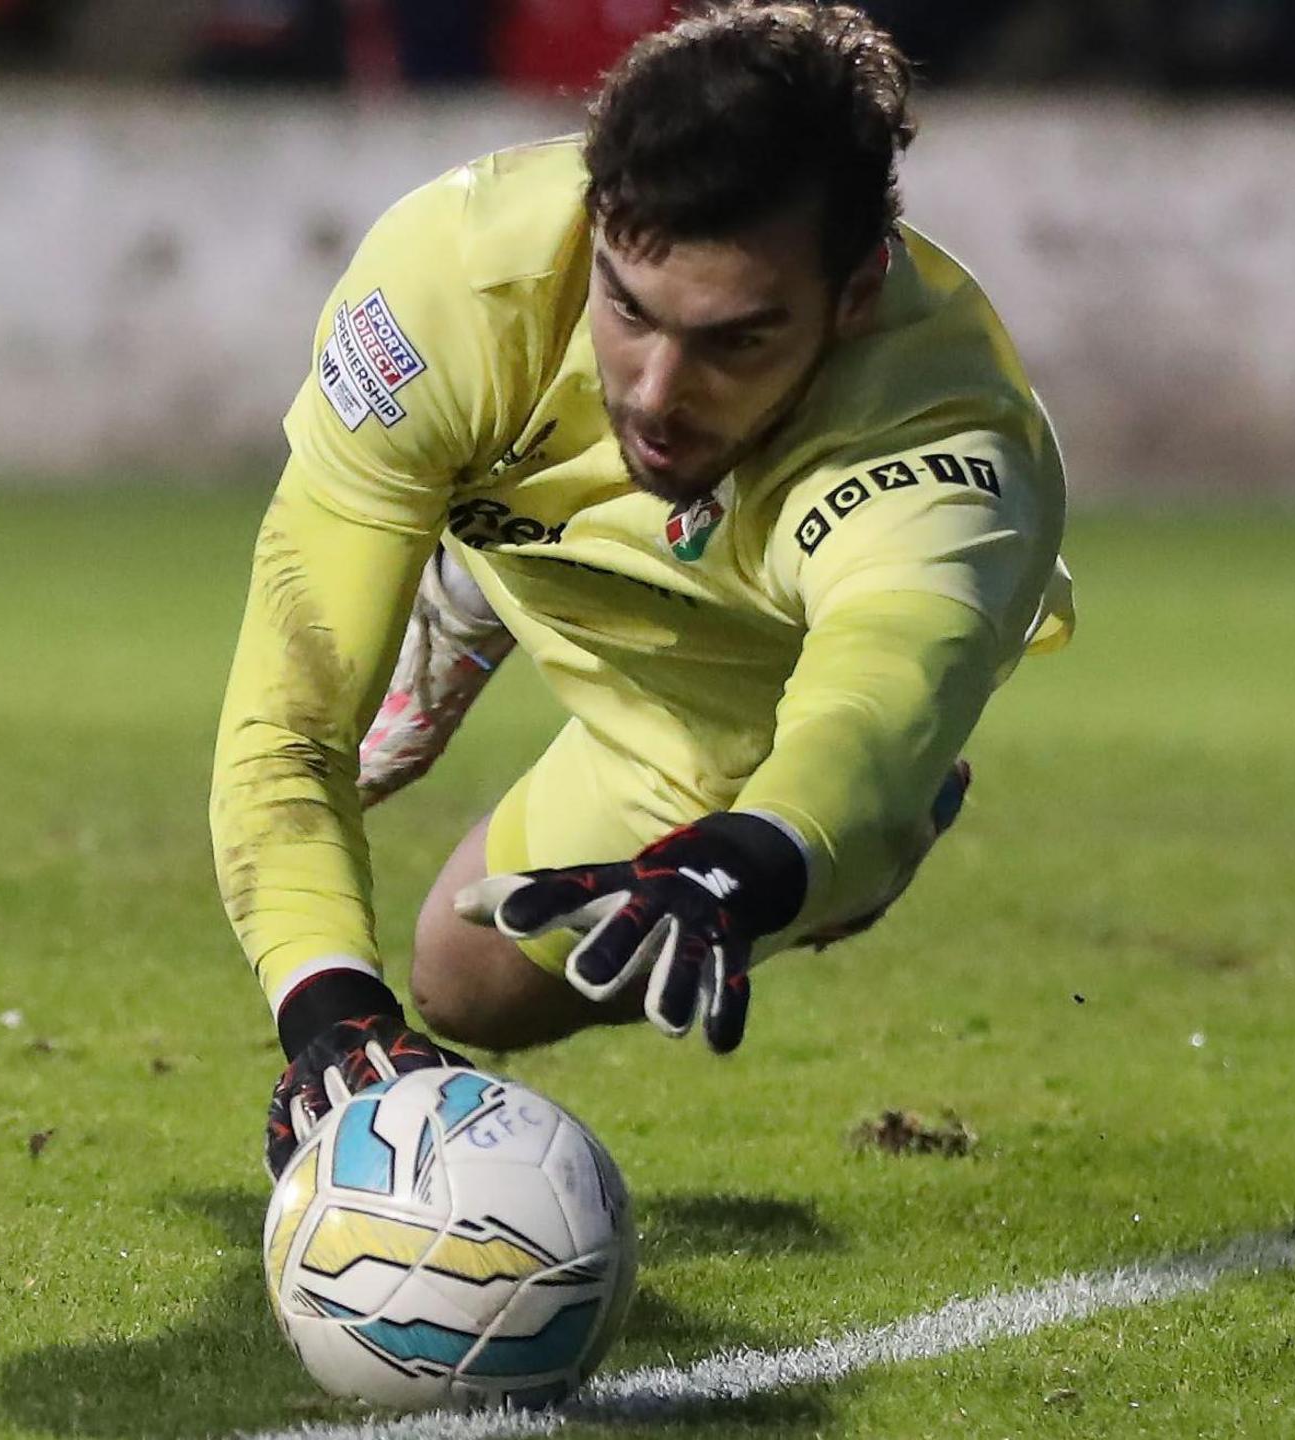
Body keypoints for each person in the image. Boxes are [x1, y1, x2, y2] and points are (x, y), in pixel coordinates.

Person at [210, 1, 1076, 1180]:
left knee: (472, 978)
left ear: (855, 296)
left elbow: (875, 701)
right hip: (604, 576)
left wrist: (757, 858)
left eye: (736, 342)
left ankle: (845, 845)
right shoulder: (453, 286)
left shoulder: (941, 442)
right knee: (418, 980)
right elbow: (290, 713)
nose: (659, 389)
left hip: (747, 699)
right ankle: (492, 561)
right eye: (627, 308)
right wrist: (325, 1014)